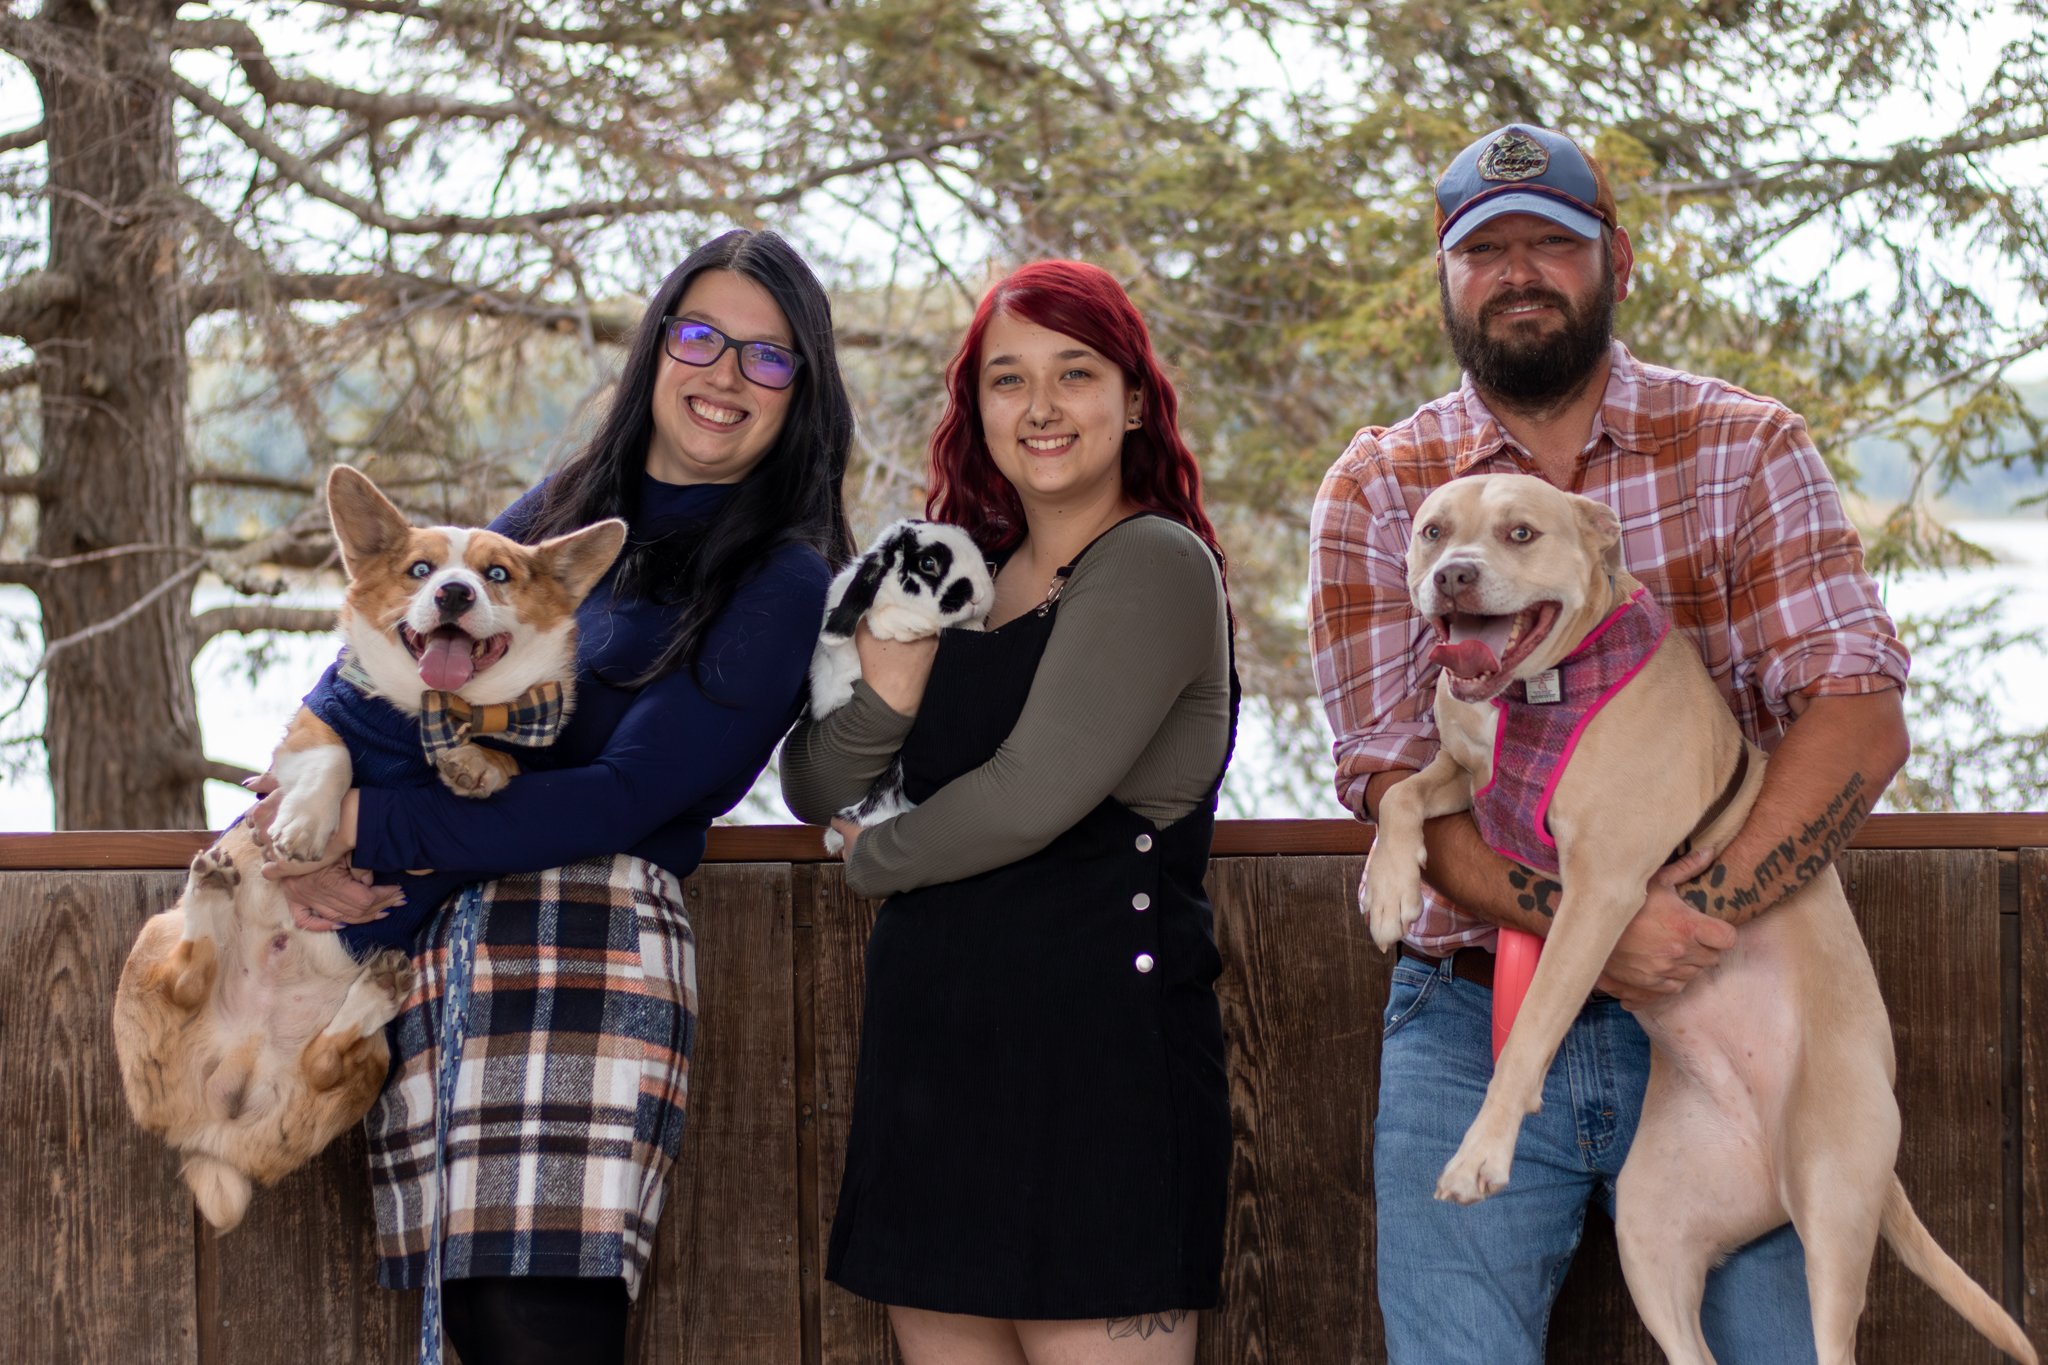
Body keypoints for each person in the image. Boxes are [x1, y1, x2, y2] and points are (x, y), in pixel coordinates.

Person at [1308, 123, 1912, 1363]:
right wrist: (1597, 922)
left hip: (1727, 988)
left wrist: (1687, 918)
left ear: (1614, 264)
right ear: (1445, 275)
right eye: (1486, 250)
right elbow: (1383, 768)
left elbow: (1854, 714)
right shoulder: (1380, 487)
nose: (1519, 272)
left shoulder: (1743, 447)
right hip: (1465, 1007)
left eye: (1552, 245)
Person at [252, 228, 853, 1365]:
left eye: (766, 359)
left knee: (542, 1327)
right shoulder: (567, 504)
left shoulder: (779, 572)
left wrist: (364, 825)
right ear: (657, 348)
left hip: (590, 944)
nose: (724, 376)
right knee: (467, 1321)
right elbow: (389, 639)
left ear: (800, 390)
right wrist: (290, 812)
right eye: (701, 337)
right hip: (448, 938)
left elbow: (624, 798)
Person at [779, 260, 1236, 1365]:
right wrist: (888, 691)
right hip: (931, 1074)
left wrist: (872, 861)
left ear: (1132, 400)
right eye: (1005, 379)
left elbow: (1031, 793)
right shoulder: (953, 576)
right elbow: (812, 784)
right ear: (972, 407)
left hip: (1101, 1086)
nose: (1038, 408)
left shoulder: (1156, 563)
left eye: (1074, 374)